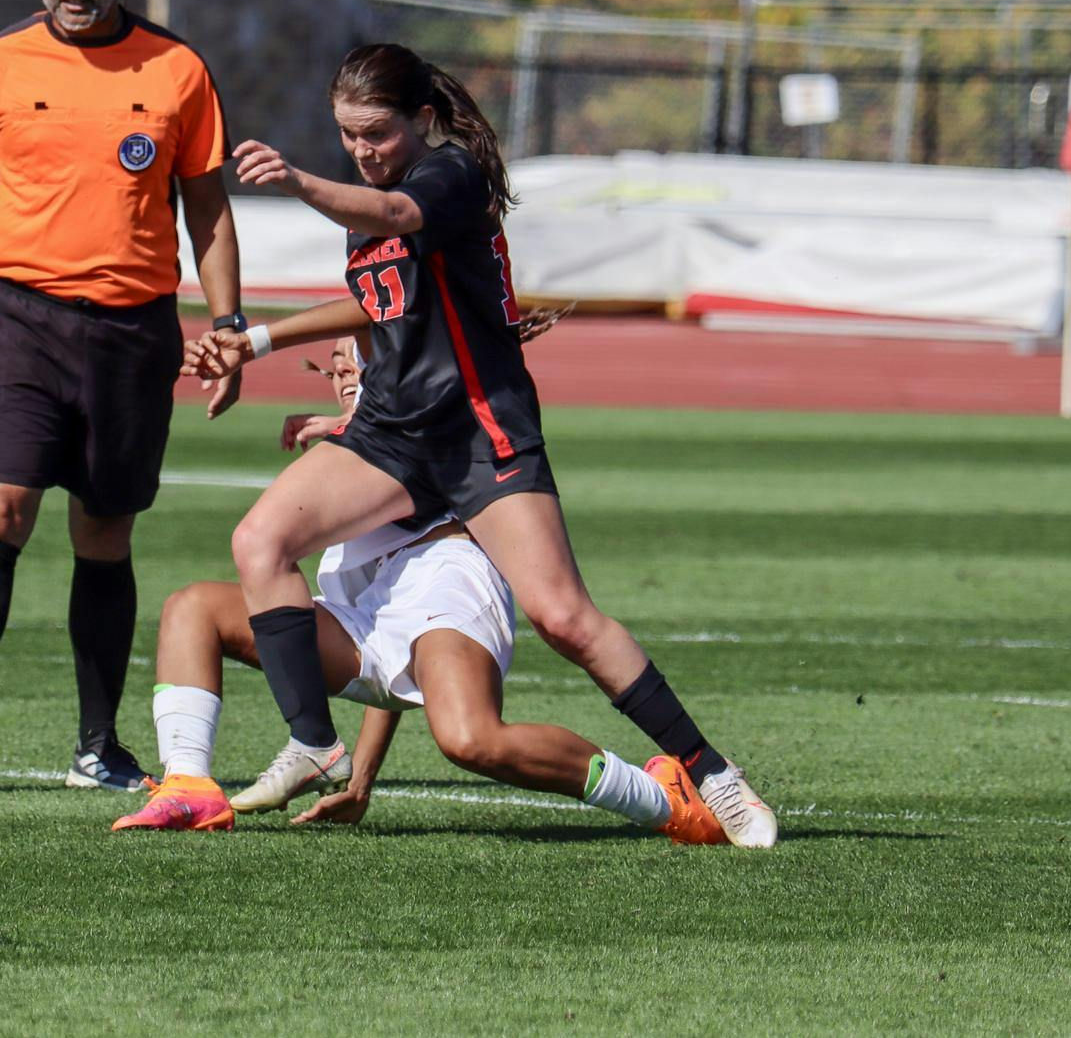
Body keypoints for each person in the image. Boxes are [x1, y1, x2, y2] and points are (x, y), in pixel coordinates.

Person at [182, 44, 778, 848]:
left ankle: (712, 775)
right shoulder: (378, 194)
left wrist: (296, 183)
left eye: (377, 133)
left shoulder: (446, 176)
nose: (362, 149)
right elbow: (372, 300)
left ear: (423, 120)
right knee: (260, 539)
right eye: (348, 135)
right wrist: (256, 340)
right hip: (394, 435)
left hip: (479, 432)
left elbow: (389, 219)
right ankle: (313, 743)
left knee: (566, 619)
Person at [0, 0, 245, 793]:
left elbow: (207, 213)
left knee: (104, 531)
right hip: (18, 320)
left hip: (134, 335)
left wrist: (229, 324)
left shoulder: (176, 71)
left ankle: (99, 743)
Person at [113, 338, 725, 845]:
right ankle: (188, 785)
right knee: (192, 608)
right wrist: (362, 779)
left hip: (448, 583)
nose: (346, 366)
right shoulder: (344, 454)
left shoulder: (419, 427)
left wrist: (258, 339)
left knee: (471, 739)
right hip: (370, 617)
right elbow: (387, 648)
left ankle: (659, 795)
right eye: (337, 361)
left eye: (360, 354)